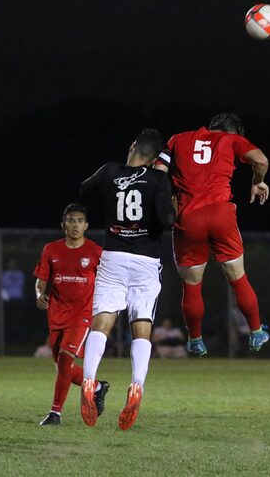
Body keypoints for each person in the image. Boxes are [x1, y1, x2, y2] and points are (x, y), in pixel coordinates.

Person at [78, 128, 175, 430]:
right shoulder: (158, 179)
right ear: (154, 158)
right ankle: (136, 385)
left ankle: (89, 379)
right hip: (146, 261)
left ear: (132, 146)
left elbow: (84, 189)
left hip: (113, 258)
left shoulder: (109, 171)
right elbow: (168, 221)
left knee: (102, 321)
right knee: (142, 325)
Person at [153, 113, 270, 357]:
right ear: (233, 132)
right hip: (220, 214)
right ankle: (256, 331)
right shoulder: (230, 140)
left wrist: (165, 203)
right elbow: (260, 160)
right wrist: (258, 181)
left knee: (192, 286)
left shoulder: (178, 139)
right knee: (238, 279)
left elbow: (158, 170)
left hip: (188, 218)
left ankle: (195, 339)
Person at [34, 203, 107, 426]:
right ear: (63, 225)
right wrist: (39, 294)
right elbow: (41, 281)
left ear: (86, 226)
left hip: (82, 315)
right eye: (71, 220)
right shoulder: (51, 250)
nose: (75, 225)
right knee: (62, 367)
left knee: (66, 358)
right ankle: (96, 387)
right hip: (56, 314)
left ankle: (55, 413)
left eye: (79, 221)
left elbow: (107, 282)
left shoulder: (96, 252)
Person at [0, 259, 28, 345]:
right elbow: (3, 286)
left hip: (18, 300)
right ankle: (8, 341)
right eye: (10, 263)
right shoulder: (4, 275)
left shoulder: (20, 274)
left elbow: (20, 285)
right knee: (8, 321)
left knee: (18, 321)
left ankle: (19, 340)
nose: (12, 265)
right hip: (8, 301)